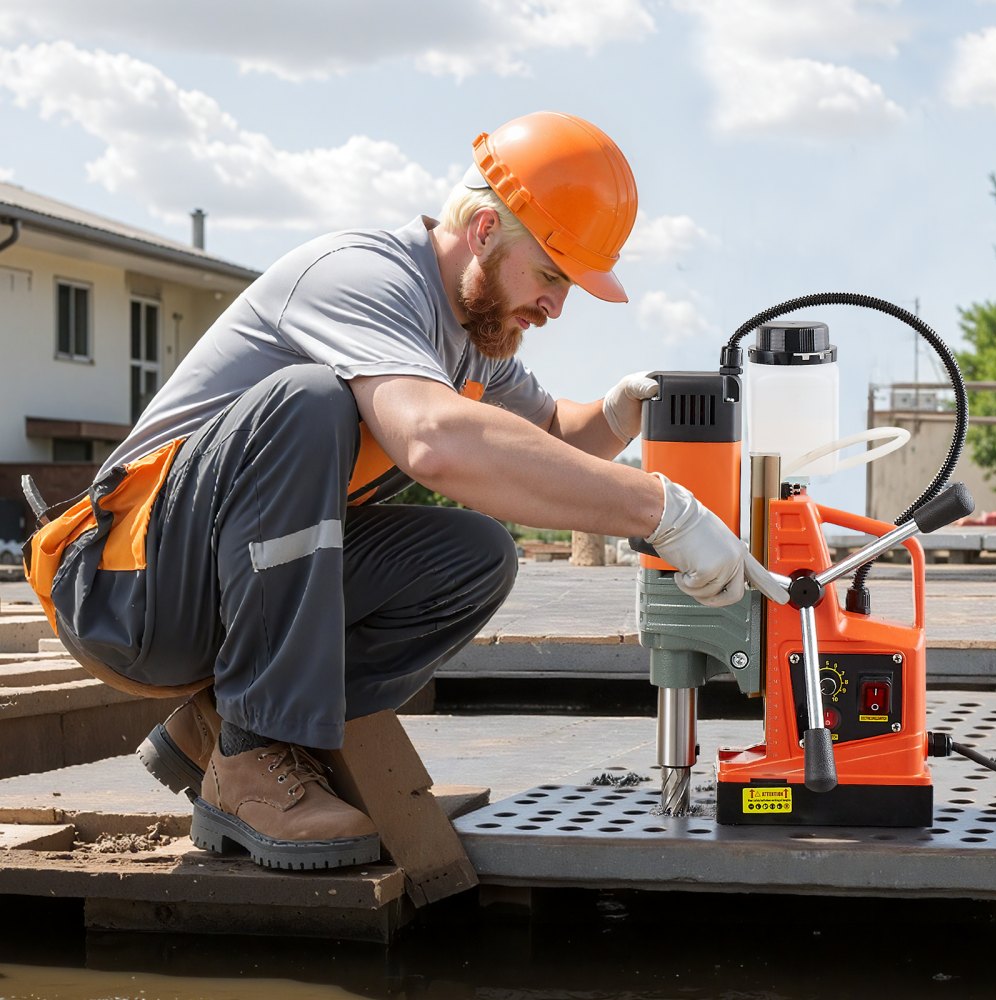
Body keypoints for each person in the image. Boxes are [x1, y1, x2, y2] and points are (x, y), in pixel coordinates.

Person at [23, 111, 784, 871]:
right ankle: (254, 756)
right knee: (308, 401)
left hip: (208, 592)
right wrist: (660, 511)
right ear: (484, 229)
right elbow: (434, 440)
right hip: (128, 587)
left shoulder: (470, 341)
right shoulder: (363, 278)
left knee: (476, 556)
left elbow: (548, 439)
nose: (557, 307)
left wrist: (618, 415)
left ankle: (223, 727)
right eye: (552, 275)